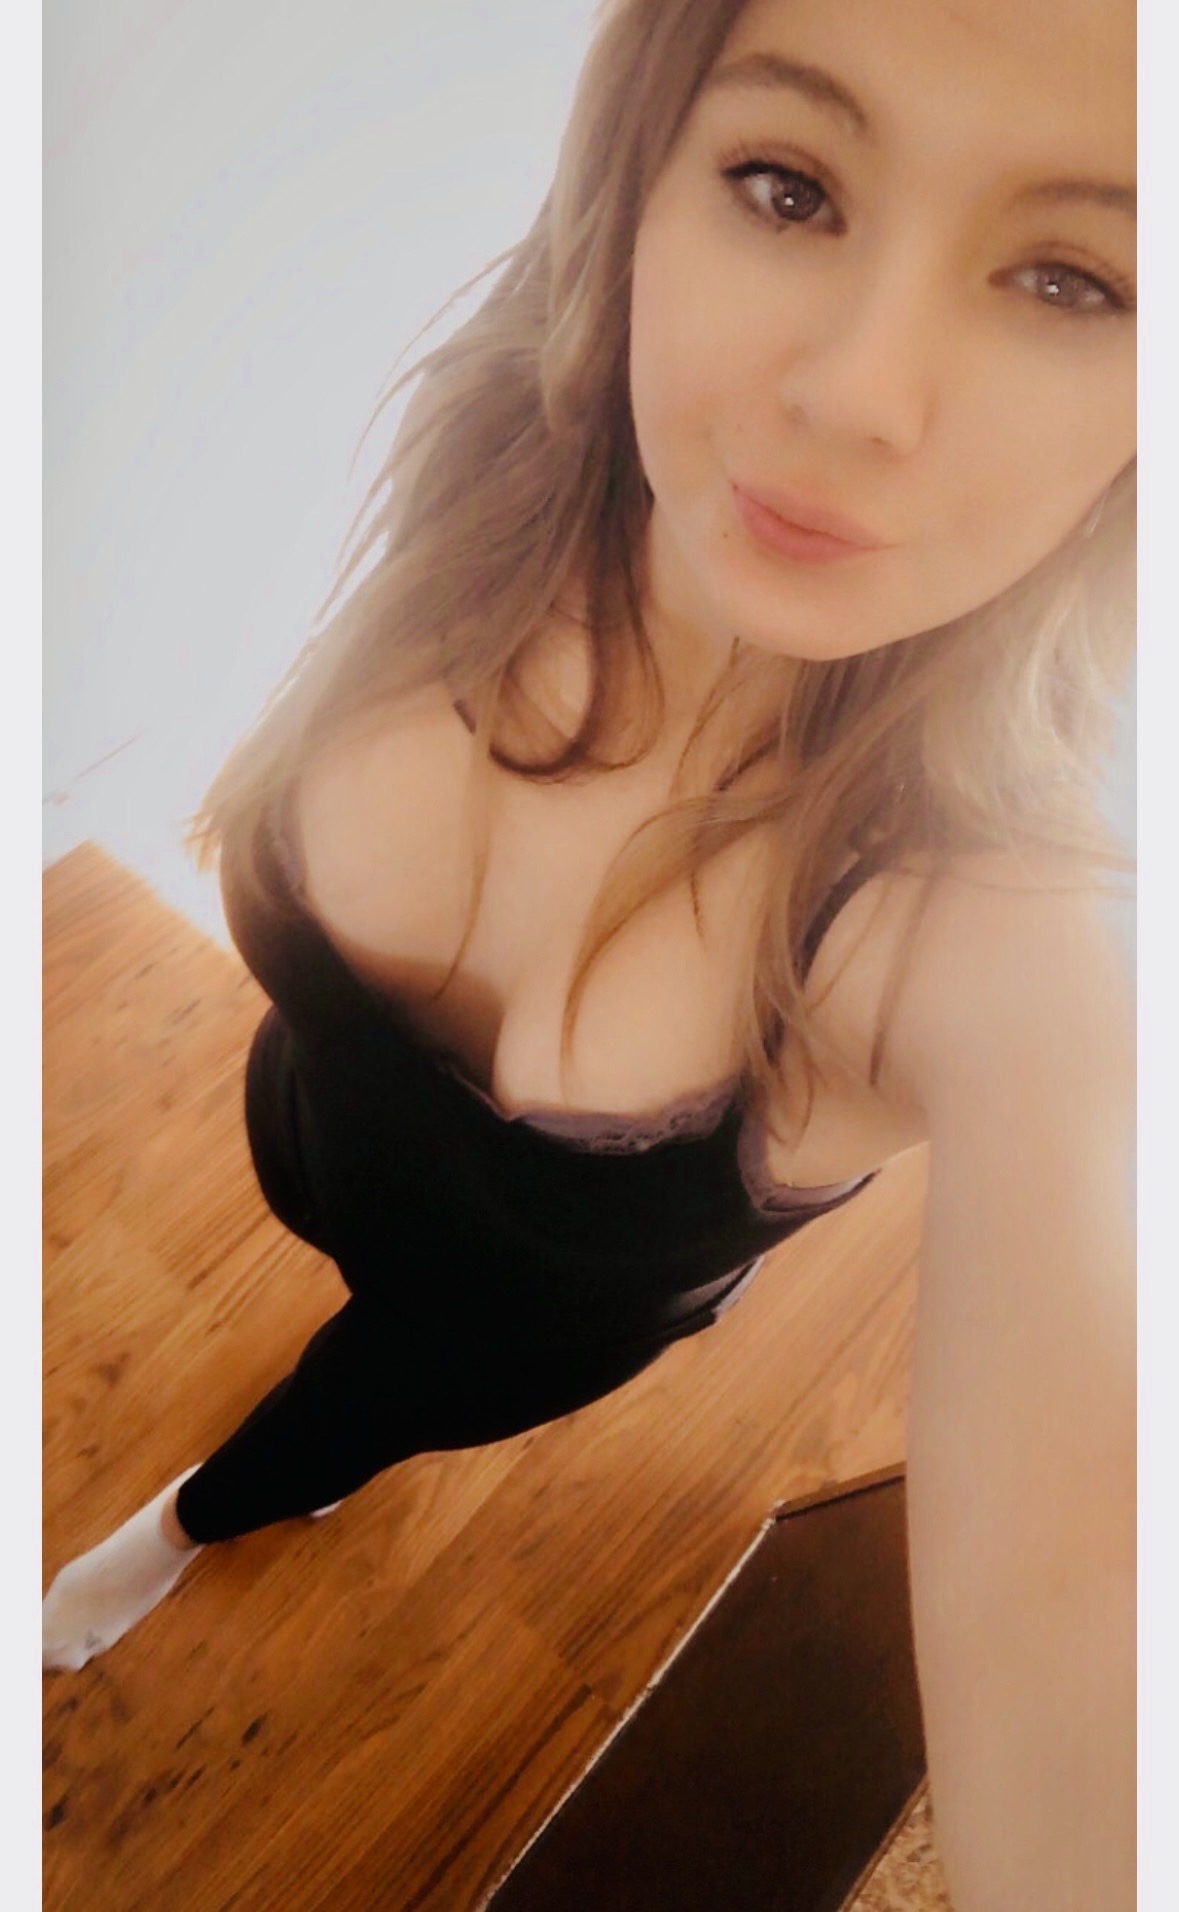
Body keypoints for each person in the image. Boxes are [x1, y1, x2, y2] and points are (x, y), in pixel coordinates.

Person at [44, 0, 1135, 1902]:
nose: (854, 392)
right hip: (303, 1131)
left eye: (1073, 279)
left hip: (496, 1339)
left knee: (337, 1418)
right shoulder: (514, 426)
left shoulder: (1004, 936)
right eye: (787, 184)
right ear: (647, 167)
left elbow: (1100, 1641)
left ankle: (188, 1530)